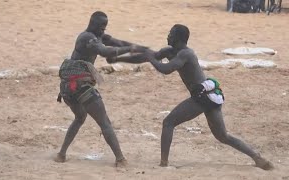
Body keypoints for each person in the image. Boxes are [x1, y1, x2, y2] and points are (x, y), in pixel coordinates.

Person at [110, 24, 274, 170]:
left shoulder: (186, 54)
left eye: (170, 34)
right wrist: (119, 59)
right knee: (223, 136)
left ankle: (163, 164)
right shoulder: (170, 50)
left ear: (178, 38)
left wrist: (150, 58)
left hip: (202, 97)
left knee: (168, 122)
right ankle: (257, 158)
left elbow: (166, 69)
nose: (167, 36)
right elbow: (147, 56)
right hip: (208, 96)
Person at [54, 11, 147, 167]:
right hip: (79, 86)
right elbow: (105, 51)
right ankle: (120, 160)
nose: (104, 30)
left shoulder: (96, 36)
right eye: (102, 27)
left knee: (80, 117)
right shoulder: (87, 38)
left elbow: (115, 42)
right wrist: (131, 48)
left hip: (68, 87)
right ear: (95, 25)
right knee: (104, 122)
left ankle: (61, 154)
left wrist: (142, 48)